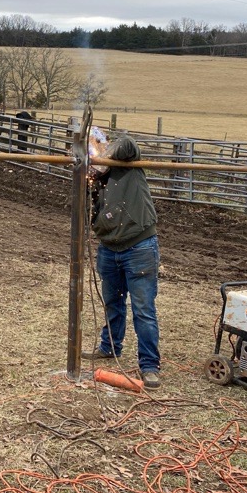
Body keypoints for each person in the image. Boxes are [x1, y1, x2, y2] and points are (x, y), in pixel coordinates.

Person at [88, 130, 162, 389]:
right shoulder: (93, 177)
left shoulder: (125, 159)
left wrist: (101, 156)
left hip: (139, 245)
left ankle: (150, 365)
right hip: (109, 247)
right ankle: (109, 347)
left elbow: (127, 142)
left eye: (95, 145)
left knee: (143, 309)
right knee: (112, 302)